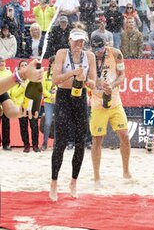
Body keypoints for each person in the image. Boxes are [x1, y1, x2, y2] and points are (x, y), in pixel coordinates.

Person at [50, 28, 96, 201]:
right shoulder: (61, 53)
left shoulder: (89, 56)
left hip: (80, 98)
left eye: (82, 41)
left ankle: (73, 182)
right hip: (63, 98)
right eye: (76, 41)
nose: (79, 44)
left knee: (80, 142)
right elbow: (55, 79)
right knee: (60, 143)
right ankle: (54, 183)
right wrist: (72, 73)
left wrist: (84, 79)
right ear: (70, 40)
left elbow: (93, 83)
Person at [89, 35, 131, 185]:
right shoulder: (89, 56)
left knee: (125, 136)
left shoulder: (116, 53)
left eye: (100, 49)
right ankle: (96, 176)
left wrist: (111, 86)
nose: (98, 52)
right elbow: (86, 82)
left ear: (105, 45)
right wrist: (98, 85)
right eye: (95, 49)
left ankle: (126, 171)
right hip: (97, 102)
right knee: (97, 140)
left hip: (114, 101)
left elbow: (122, 76)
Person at [10, 60, 41, 152]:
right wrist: (22, 87)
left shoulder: (32, 79)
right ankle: (26, 145)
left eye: (26, 65)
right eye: (22, 65)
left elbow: (38, 92)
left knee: (34, 126)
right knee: (23, 126)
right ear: (19, 68)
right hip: (21, 106)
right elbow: (14, 94)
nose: (24, 66)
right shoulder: (16, 79)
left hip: (32, 105)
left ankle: (35, 145)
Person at [41, 56, 57, 151]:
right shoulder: (45, 74)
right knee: (47, 122)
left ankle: (56, 144)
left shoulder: (60, 74)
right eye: (54, 62)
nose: (55, 64)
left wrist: (55, 96)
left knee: (57, 123)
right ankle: (45, 143)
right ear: (50, 63)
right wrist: (49, 96)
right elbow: (43, 88)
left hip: (58, 101)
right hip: (48, 101)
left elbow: (61, 87)